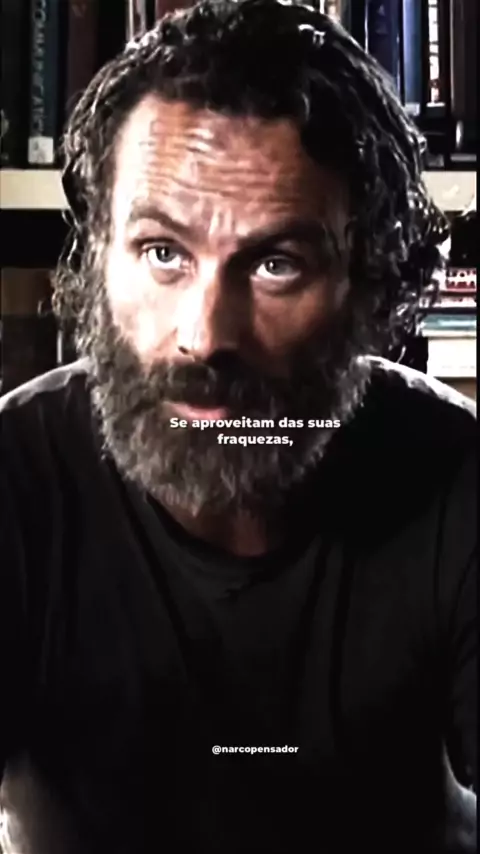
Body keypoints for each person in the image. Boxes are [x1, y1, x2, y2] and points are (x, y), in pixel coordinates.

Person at [0, 1, 476, 851]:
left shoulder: (458, 475)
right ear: (97, 254)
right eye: (162, 252)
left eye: (275, 264)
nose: (206, 335)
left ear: (367, 285)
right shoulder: (15, 477)